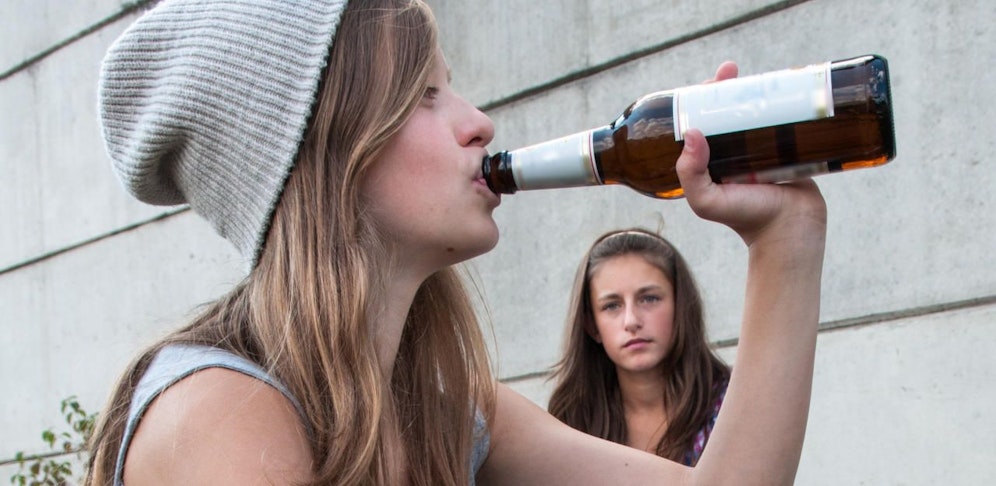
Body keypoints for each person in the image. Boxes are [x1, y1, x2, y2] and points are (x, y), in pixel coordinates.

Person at [85, 0, 828, 485]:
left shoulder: (448, 410)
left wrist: (784, 238)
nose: (479, 123)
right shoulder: (221, 409)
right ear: (322, 158)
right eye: (423, 95)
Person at [547, 229, 731, 466]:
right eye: (612, 305)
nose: (631, 321)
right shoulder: (573, 421)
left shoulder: (731, 402)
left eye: (649, 298)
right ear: (591, 325)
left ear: (681, 306)